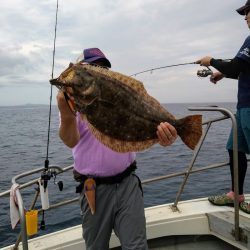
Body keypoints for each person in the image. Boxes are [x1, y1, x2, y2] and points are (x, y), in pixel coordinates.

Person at [56, 47, 178, 249]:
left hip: (128, 184)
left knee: (137, 246)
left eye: (104, 69)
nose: (99, 72)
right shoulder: (73, 104)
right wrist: (65, 112)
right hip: (93, 189)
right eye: (92, 67)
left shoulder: (120, 99)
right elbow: (70, 141)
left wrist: (164, 136)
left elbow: (141, 123)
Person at [196, 1, 250, 214]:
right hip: (243, 108)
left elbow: (238, 65)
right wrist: (223, 72)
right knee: (234, 148)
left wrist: (212, 60)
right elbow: (241, 69)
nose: (245, 17)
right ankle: (235, 195)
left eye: (247, 12)